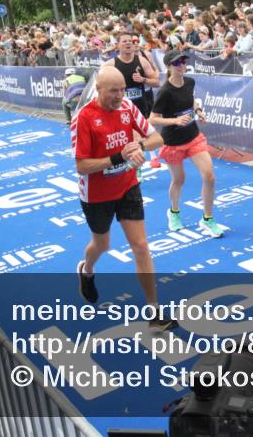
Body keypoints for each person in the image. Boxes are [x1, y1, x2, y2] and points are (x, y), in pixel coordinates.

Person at [71, 65, 175, 329]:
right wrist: (118, 156)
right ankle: (87, 270)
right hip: (96, 194)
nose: (119, 96)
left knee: (140, 246)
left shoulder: (128, 107)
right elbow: (82, 166)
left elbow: (157, 139)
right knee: (102, 245)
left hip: (127, 185)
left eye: (121, 90)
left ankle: (155, 312)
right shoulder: (83, 117)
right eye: (113, 92)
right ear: (98, 90)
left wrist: (137, 145)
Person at [148, 50, 222, 238]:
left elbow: (192, 100)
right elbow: (153, 119)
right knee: (179, 180)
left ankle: (207, 219)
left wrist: (199, 110)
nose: (181, 65)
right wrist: (174, 121)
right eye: (176, 63)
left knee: (209, 176)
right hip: (173, 142)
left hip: (193, 137)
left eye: (183, 61)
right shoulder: (165, 92)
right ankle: (174, 212)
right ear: (169, 67)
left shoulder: (190, 82)